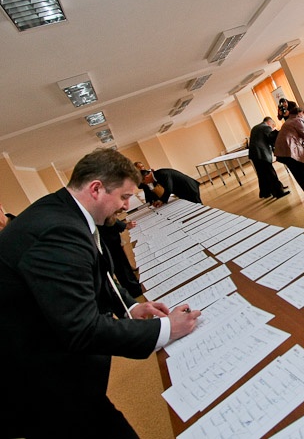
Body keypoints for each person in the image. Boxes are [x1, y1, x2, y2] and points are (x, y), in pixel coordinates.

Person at [0, 148, 201, 438]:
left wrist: (130, 307)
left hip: (52, 368)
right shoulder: (59, 230)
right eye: (123, 196)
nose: (126, 205)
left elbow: (98, 273)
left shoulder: (62, 211)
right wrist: (166, 329)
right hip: (39, 383)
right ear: (96, 188)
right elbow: (82, 328)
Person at [274, 104, 304, 199]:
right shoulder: (297, 120)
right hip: (290, 151)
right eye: (303, 114)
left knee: (297, 173)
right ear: (300, 113)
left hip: (282, 152)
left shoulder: (288, 121)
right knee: (301, 173)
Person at [99, 215, 142, 298]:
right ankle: (133, 289)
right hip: (107, 236)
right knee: (120, 264)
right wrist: (123, 225)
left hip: (107, 235)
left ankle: (133, 284)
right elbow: (107, 216)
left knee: (121, 263)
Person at [247, 117, 290, 199]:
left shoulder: (255, 127)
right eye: (273, 126)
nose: (272, 128)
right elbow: (272, 139)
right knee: (270, 173)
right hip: (262, 154)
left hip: (254, 154)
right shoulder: (266, 127)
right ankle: (278, 192)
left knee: (262, 174)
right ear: (269, 122)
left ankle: (265, 192)